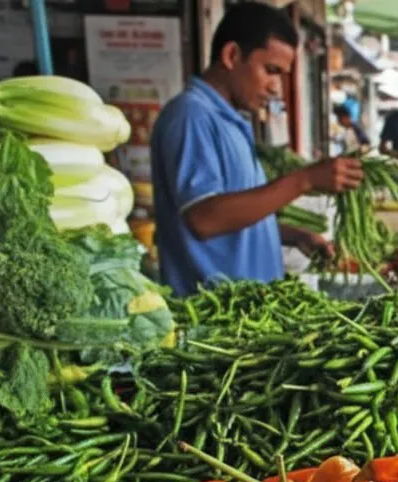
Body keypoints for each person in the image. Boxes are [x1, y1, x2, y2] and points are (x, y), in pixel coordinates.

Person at [150, 1, 363, 296]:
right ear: (232, 55)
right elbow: (204, 219)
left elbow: (233, 214)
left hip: (248, 310)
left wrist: (292, 235)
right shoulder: (191, 116)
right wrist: (305, 180)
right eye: (271, 70)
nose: (276, 87)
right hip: (213, 318)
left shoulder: (231, 120)